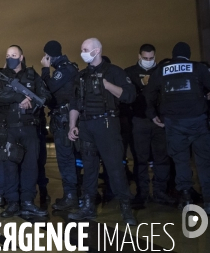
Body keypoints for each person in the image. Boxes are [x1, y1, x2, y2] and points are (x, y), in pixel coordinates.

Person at [67, 38, 138, 225]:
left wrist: (107, 85)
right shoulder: (80, 76)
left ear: (97, 50)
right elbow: (74, 103)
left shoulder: (114, 72)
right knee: (89, 168)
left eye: (85, 49)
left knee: (115, 167)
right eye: (82, 49)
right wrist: (72, 125)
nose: (82, 52)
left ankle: (125, 208)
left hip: (107, 124)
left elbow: (130, 95)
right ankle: (88, 206)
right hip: (86, 126)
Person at [145, 42, 210, 214]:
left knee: (181, 162)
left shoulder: (162, 70)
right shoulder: (198, 68)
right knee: (204, 162)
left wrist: (153, 115)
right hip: (198, 122)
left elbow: (149, 94)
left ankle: (186, 198)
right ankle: (209, 200)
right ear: (188, 55)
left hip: (173, 123)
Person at [0, 45, 51, 218]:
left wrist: (31, 101)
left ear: (21, 57)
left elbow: (45, 96)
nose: (11, 58)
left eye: (14, 55)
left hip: (29, 127)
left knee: (30, 167)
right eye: (8, 55)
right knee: (9, 167)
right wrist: (18, 97)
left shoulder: (32, 75)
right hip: (9, 128)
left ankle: (28, 202)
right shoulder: (1, 76)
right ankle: (12, 203)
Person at [124, 44, 174, 207]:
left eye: (151, 58)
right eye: (145, 58)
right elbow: (126, 97)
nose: (148, 61)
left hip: (159, 121)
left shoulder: (161, 71)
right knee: (140, 160)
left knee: (161, 158)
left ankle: (160, 192)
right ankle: (142, 193)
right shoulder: (129, 73)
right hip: (139, 121)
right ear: (139, 56)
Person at [40, 40, 79, 211]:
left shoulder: (64, 69)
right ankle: (77, 193)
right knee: (74, 159)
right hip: (66, 118)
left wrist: (44, 69)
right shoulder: (69, 68)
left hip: (64, 119)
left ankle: (71, 196)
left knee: (65, 159)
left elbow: (47, 88)